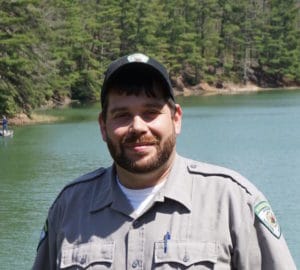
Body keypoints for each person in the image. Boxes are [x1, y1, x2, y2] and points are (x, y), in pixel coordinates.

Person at [33, 53, 296, 269]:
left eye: (151, 112)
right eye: (122, 115)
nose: (137, 127)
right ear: (103, 126)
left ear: (176, 118)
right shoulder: (69, 207)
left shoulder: (233, 202)